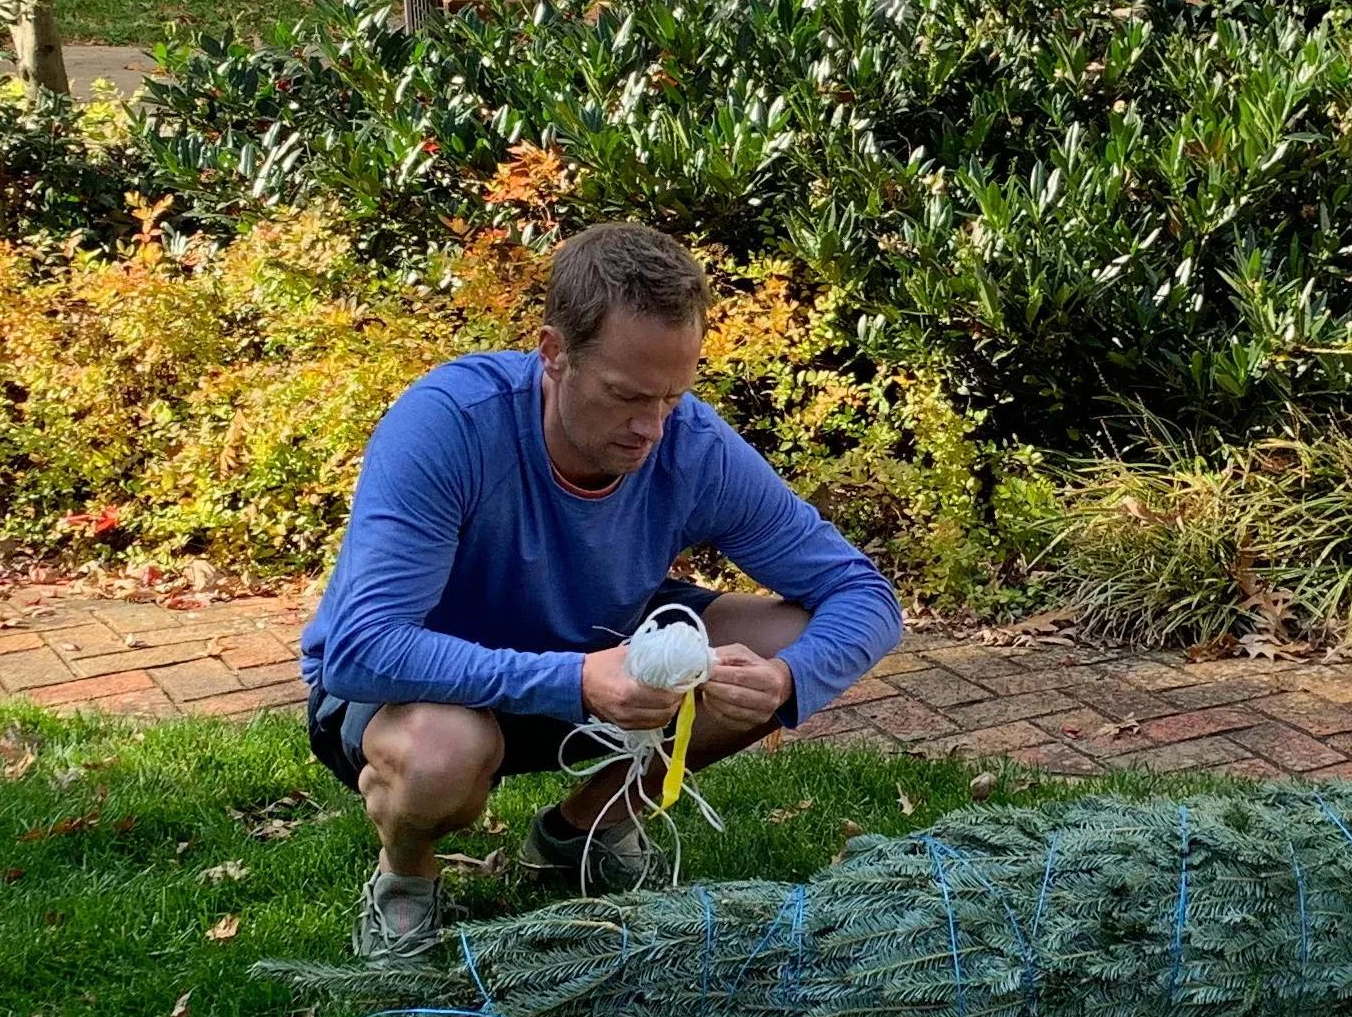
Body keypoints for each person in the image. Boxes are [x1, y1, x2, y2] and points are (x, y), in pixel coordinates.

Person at [299, 220, 905, 959]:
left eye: (672, 398)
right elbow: (359, 650)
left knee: (788, 640)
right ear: (553, 353)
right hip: (424, 694)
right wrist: (579, 680)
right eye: (626, 396)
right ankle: (406, 877)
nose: (651, 429)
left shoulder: (691, 447)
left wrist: (784, 680)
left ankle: (583, 830)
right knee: (441, 755)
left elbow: (862, 593)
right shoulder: (449, 425)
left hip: (597, 662)